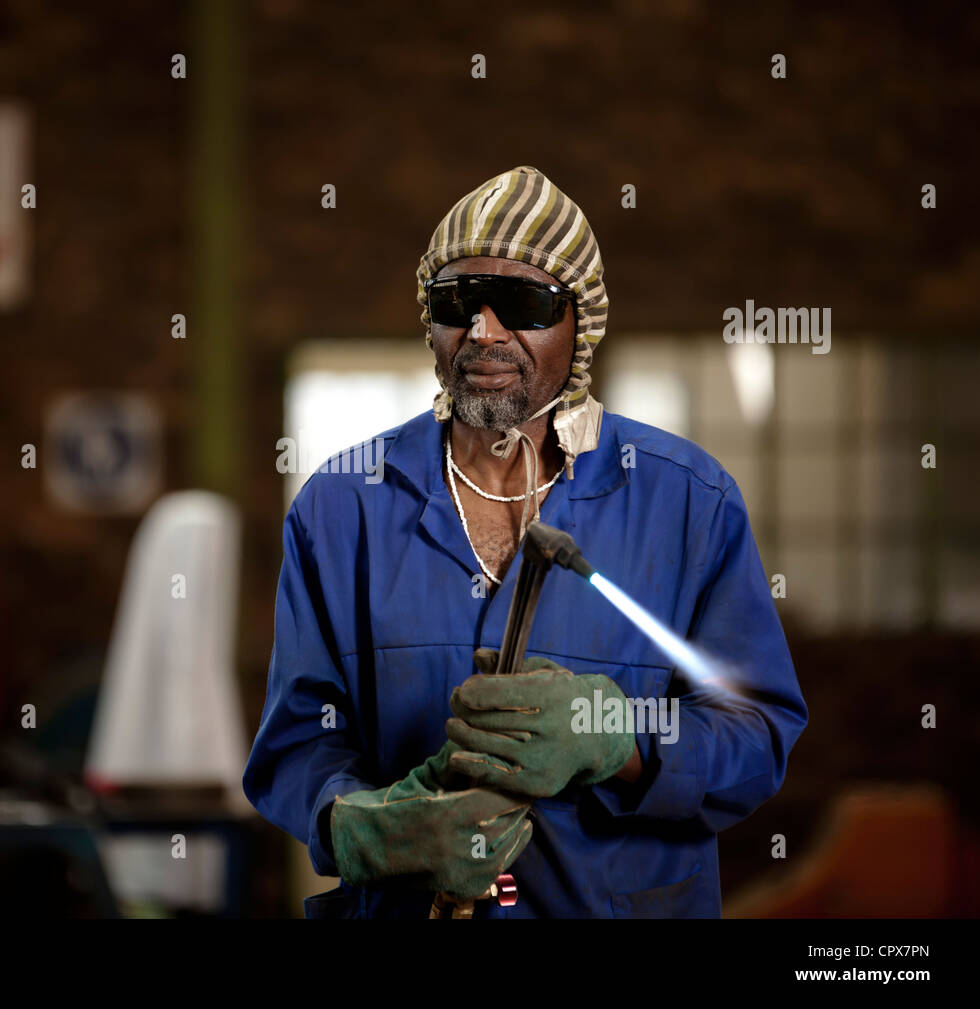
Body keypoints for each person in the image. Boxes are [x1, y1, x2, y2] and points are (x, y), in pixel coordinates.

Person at [243, 166, 807, 918]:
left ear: (582, 324)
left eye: (521, 303)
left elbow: (758, 730)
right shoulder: (341, 509)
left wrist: (618, 739)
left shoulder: (688, 503)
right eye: (455, 302)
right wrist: (364, 825)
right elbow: (296, 741)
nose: (483, 331)